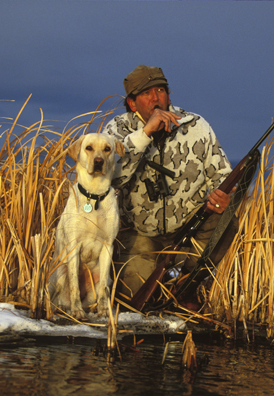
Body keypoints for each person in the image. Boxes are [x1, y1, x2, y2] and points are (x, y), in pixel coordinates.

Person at [102, 65, 237, 301]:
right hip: (140, 235)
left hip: (189, 230)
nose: (156, 98)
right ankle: (162, 281)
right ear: (132, 103)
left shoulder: (197, 125)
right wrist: (145, 134)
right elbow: (111, 179)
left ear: (169, 94)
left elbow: (224, 178)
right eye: (146, 93)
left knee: (226, 221)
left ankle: (188, 281)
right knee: (134, 301)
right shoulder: (117, 129)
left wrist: (226, 198)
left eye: (161, 90)